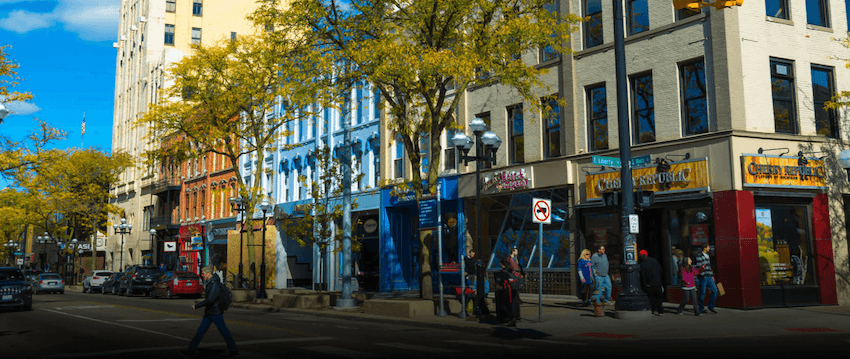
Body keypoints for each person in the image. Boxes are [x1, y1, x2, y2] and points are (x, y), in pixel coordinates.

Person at [181, 265, 239, 359]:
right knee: (200, 332)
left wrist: (197, 306)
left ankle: (234, 350)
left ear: (208, 273)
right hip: (209, 312)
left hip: (215, 312)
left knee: (224, 331)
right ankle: (190, 351)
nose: (202, 275)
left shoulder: (214, 283)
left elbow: (210, 300)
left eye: (203, 273)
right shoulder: (211, 282)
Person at [494, 257, 519, 326]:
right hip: (512, 290)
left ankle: (511, 318)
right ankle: (511, 318)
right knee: (510, 305)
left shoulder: (503, 272)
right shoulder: (510, 271)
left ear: (502, 264)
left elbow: (499, 281)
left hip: (506, 290)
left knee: (503, 305)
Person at [638, 249, 664, 316]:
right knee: (659, 297)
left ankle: (652, 310)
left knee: (651, 298)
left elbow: (643, 275)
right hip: (657, 282)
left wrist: (644, 284)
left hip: (649, 284)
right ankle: (660, 311)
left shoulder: (643, 264)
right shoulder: (655, 261)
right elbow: (660, 270)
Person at [695, 243, 718, 314]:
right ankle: (701, 308)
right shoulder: (699, 255)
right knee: (702, 293)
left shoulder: (707, 255)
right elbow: (699, 267)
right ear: (704, 248)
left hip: (709, 276)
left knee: (715, 290)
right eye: (708, 247)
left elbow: (709, 266)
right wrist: (703, 275)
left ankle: (711, 307)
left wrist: (711, 275)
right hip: (703, 277)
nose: (709, 248)